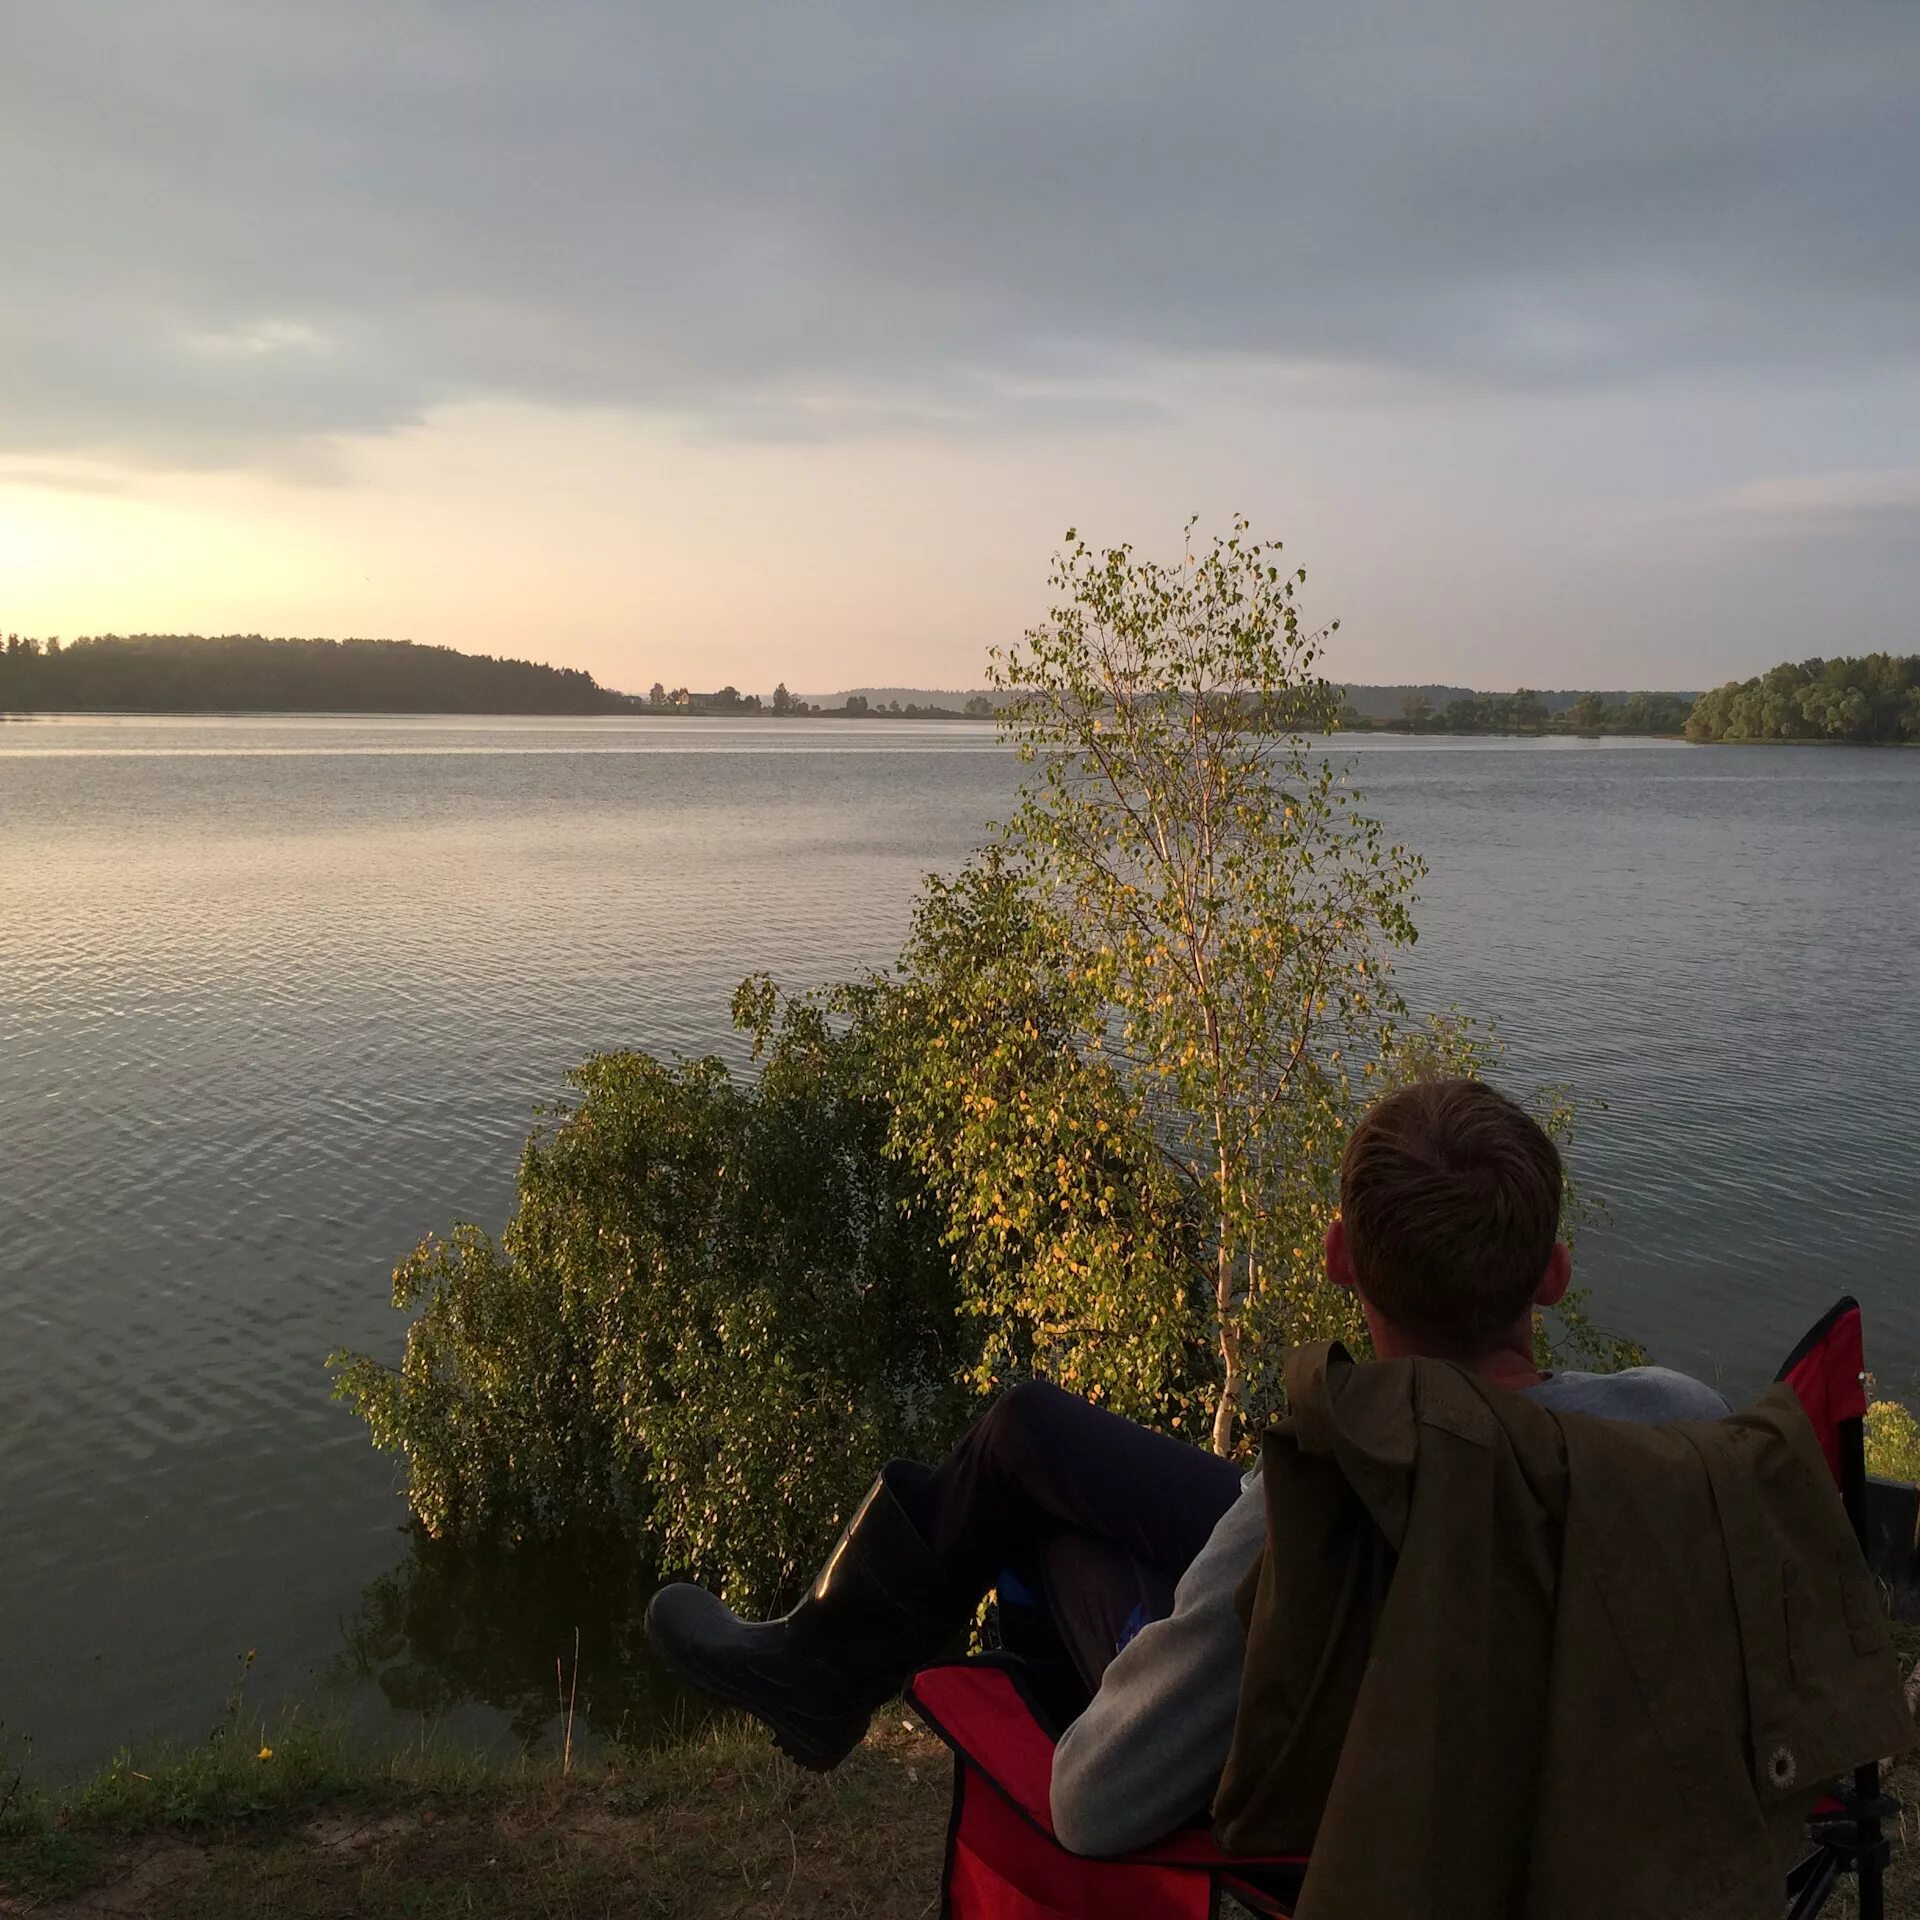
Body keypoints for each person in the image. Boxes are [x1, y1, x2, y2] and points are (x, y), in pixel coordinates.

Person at [645, 1077, 1730, 1856]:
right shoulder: (1679, 1432)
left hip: (1360, 1615)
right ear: (1552, 1275)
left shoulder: (1297, 1518)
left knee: (1058, 1538)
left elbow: (1096, 1802)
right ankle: (819, 1671)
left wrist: (1165, 1635)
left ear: (1337, 1258)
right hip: (1472, 1610)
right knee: (1027, 1432)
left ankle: (824, 1680)